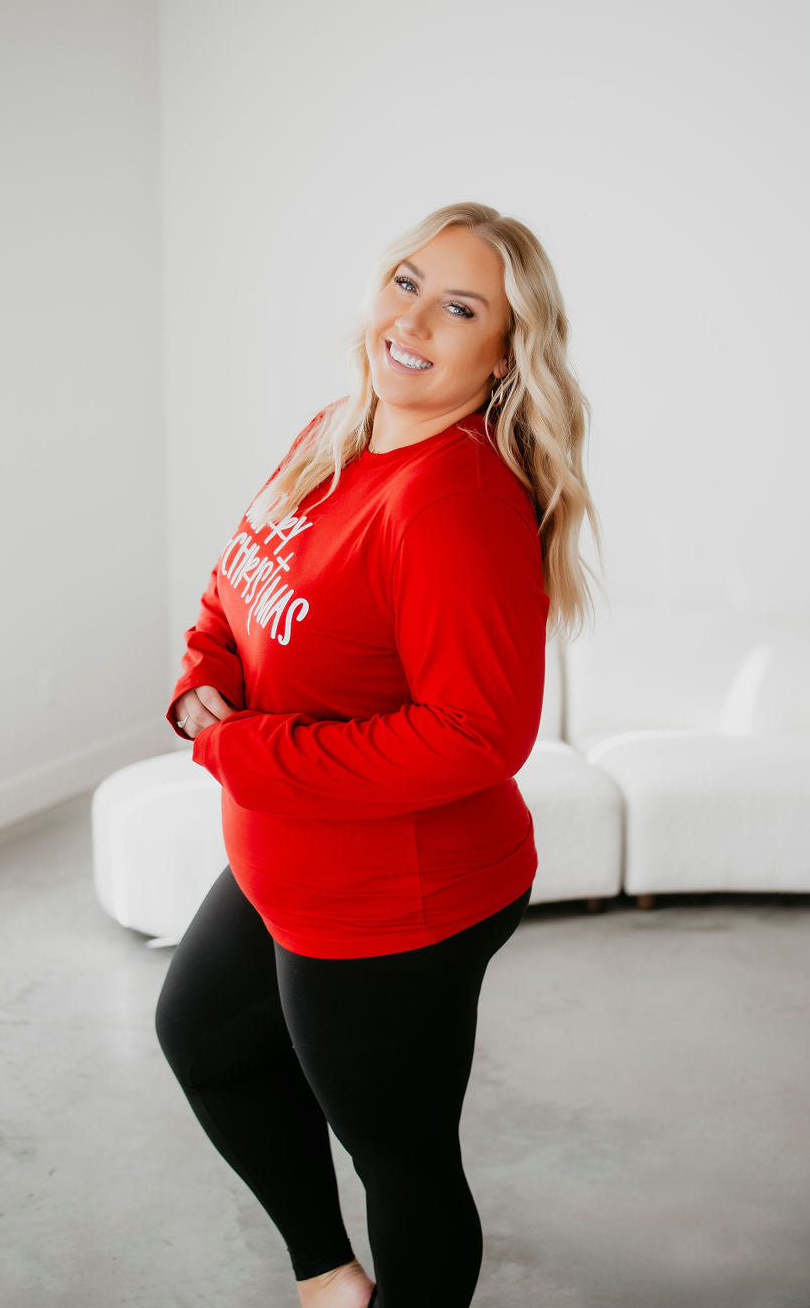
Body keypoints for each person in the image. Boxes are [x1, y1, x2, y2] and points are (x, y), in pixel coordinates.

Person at [155, 201, 602, 1308]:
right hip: (289, 857)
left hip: (396, 894)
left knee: (401, 1160)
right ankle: (330, 1280)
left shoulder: (453, 501)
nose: (414, 320)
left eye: (461, 307)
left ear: (505, 356)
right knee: (204, 1038)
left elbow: (476, 734)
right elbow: (238, 580)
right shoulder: (336, 429)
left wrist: (244, 748)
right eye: (407, 282)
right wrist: (201, 671)